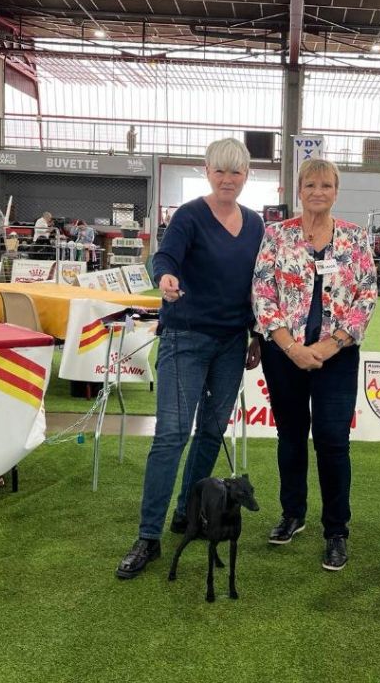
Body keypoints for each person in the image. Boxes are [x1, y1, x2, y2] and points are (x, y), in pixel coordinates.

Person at [116, 138, 265, 580]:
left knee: (211, 431)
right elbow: (163, 257)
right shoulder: (189, 215)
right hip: (185, 336)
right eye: (220, 171)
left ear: (245, 177)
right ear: (207, 171)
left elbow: (260, 284)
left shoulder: (255, 224)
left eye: (235, 172)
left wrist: (256, 333)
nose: (227, 179)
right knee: (172, 435)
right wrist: (165, 276)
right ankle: (148, 536)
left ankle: (190, 511)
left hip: (232, 343)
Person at [252, 158, 377, 572]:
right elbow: (263, 293)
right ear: (299, 189)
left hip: (336, 357)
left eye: (326, 185)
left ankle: (336, 530)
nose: (318, 191)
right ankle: (292, 514)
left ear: (336, 191)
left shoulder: (356, 240)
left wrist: (326, 348)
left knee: (332, 441)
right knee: (290, 435)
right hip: (284, 353)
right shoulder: (276, 236)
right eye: (310, 184)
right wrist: (291, 347)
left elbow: (366, 298)